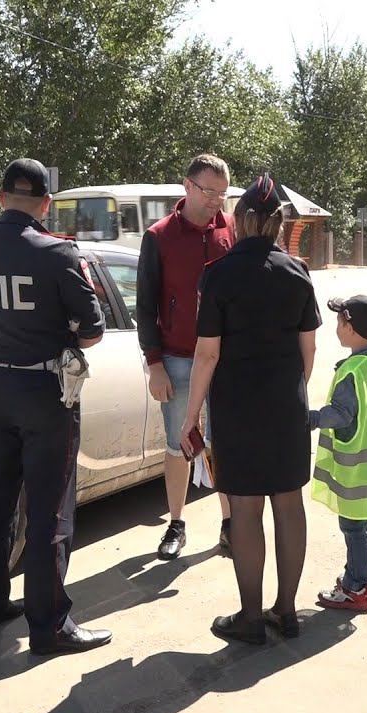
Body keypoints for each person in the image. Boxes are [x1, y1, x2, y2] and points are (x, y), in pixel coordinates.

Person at [0, 158, 112, 655]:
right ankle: (49, 626)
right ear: (46, 205)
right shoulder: (58, 253)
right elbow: (93, 330)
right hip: (44, 392)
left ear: (1, 198)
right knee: (49, 511)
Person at [179, 173, 320, 644]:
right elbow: (308, 350)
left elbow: (207, 354)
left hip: (237, 407)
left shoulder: (218, 274)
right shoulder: (297, 271)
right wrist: (291, 393)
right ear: (279, 224)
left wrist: (191, 415)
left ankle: (251, 618)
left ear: (238, 220)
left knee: (244, 508)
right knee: (289, 503)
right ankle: (288, 612)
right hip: (286, 405)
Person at [136, 153, 236, 561]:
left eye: (222, 193)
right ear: (188, 186)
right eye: (209, 191)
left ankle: (230, 524)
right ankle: (176, 524)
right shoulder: (159, 236)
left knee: (222, 443)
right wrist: (154, 363)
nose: (216, 201)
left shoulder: (232, 229)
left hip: (225, 359)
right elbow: (145, 306)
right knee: (179, 444)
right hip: (177, 360)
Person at [309, 295, 367, 613]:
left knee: (353, 528)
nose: (336, 327)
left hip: (355, 470)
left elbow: (341, 414)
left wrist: (310, 418)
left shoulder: (352, 371)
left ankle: (355, 587)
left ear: (350, 329)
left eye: (339, 322)